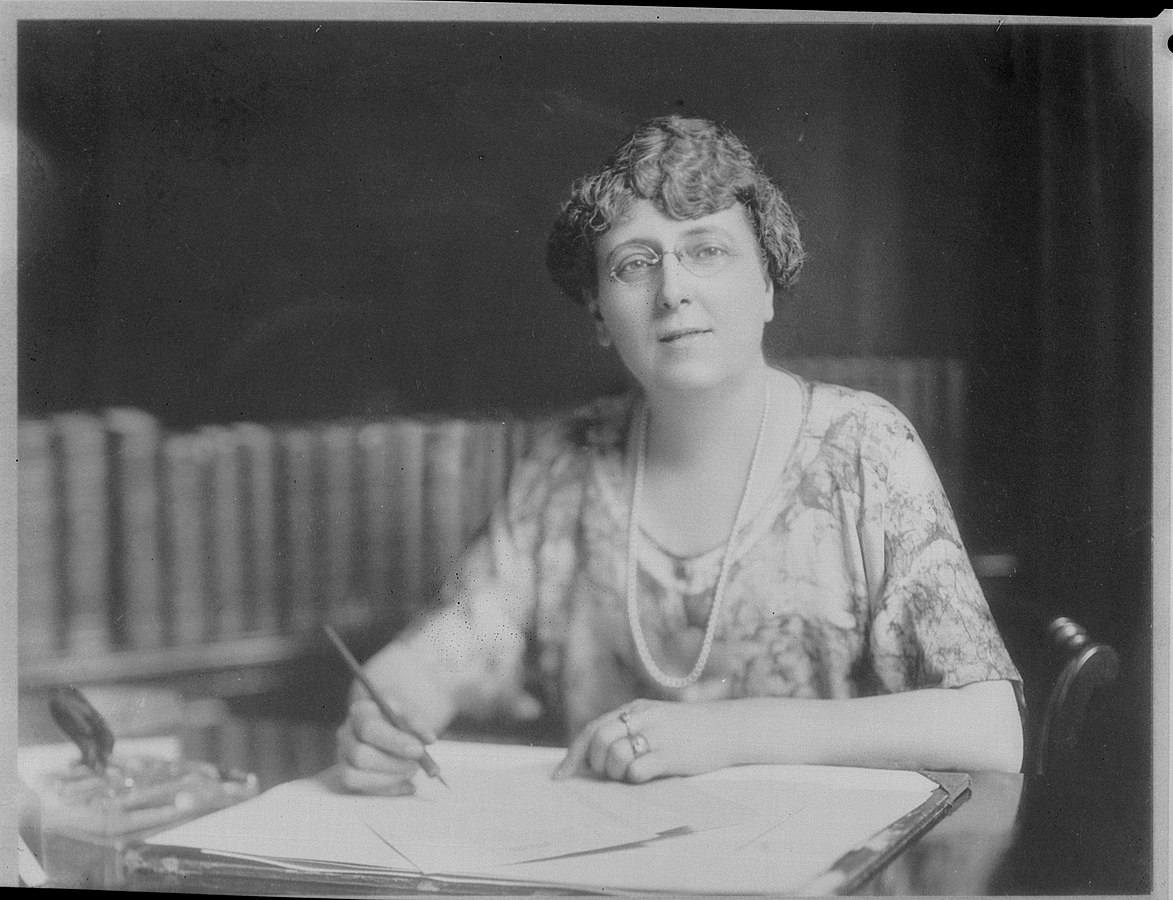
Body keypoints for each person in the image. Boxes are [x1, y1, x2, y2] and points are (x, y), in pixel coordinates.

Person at [335, 115, 1024, 795]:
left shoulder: (863, 448)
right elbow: (456, 646)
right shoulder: (565, 463)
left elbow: (990, 730)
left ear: (766, 284)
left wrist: (725, 734)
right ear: (600, 314)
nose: (672, 291)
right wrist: (391, 702)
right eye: (634, 264)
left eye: (707, 250)